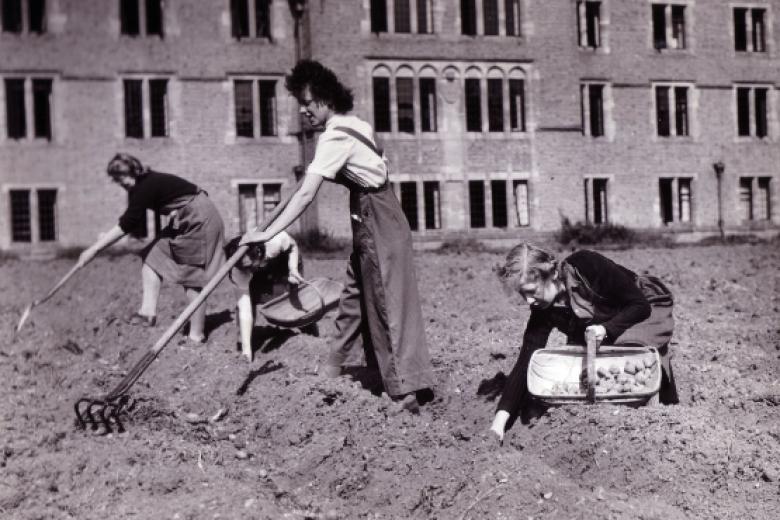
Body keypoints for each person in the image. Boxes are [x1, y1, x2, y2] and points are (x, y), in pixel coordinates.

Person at [241, 59, 435, 409]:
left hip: (376, 217)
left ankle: (404, 390)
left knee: (384, 299)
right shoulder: (358, 125)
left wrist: (266, 234)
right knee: (355, 295)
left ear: (326, 100)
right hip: (378, 213)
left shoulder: (335, 137)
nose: (302, 111)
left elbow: (305, 195)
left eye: (307, 102)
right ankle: (333, 368)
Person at [490, 242, 679, 442]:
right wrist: (499, 424)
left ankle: (655, 418)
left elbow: (639, 305)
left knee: (626, 358)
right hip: (605, 323)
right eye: (523, 294)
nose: (529, 301)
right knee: (583, 366)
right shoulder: (543, 309)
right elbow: (525, 361)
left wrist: (606, 330)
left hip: (642, 307)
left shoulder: (586, 266)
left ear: (551, 275)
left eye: (532, 291)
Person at [77, 153, 226, 344]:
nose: (122, 183)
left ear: (134, 172)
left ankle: (196, 335)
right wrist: (175, 211)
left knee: (191, 276)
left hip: (199, 221)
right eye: (118, 180)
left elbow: (127, 224)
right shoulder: (141, 186)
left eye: (123, 178)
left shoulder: (145, 186)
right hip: (186, 217)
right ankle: (147, 314)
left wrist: (94, 250)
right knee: (152, 254)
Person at [224, 232, 304, 362]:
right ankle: (245, 343)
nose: (247, 270)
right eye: (243, 267)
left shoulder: (274, 241)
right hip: (261, 264)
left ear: (258, 253)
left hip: (285, 259)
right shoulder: (238, 271)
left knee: (293, 298)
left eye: (249, 266)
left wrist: (293, 269)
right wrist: (246, 351)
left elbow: (292, 244)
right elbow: (245, 308)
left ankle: (307, 330)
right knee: (251, 298)